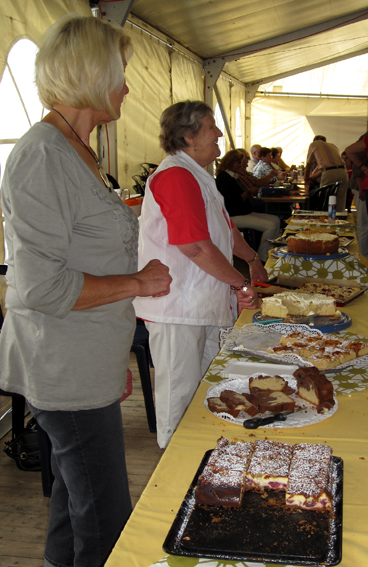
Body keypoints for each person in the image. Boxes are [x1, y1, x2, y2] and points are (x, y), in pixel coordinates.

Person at [0, 15, 172, 567]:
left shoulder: (77, 148)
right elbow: (42, 286)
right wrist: (138, 282)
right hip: (62, 365)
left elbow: (78, 247)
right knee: (106, 523)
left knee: (75, 505)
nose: (127, 86)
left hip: (84, 361)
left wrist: (107, 358)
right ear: (92, 75)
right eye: (121, 72)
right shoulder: (43, 156)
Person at [134, 101, 267, 449]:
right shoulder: (176, 175)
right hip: (178, 308)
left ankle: (202, 457)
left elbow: (224, 229)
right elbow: (193, 246)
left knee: (207, 391)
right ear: (189, 137)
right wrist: (240, 283)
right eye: (212, 127)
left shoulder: (197, 174)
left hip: (201, 305)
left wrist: (251, 260)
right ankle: (174, 473)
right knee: (178, 398)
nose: (219, 133)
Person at [215, 150, 281, 262]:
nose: (241, 166)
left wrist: (248, 193)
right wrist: (248, 193)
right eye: (239, 163)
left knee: (276, 220)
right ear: (231, 162)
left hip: (243, 212)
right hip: (233, 216)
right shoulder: (224, 178)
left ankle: (269, 251)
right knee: (270, 226)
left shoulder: (232, 176)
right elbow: (232, 203)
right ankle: (262, 257)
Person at [345, 111, 368, 273]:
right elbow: (352, 157)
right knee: (366, 224)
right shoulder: (367, 139)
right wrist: (362, 178)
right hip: (366, 185)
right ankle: (365, 257)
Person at [304, 135, 349, 212]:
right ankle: (338, 221)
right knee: (340, 202)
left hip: (329, 173)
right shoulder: (332, 146)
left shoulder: (313, 145)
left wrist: (306, 178)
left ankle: (323, 220)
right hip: (343, 171)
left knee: (323, 201)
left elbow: (308, 164)